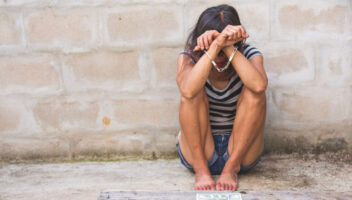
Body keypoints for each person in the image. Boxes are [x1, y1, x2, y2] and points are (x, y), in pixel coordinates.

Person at [175, 4, 268, 191]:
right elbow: (187, 91)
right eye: (214, 41)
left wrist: (228, 47)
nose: (219, 55)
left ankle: (230, 167)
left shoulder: (249, 54)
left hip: (241, 152)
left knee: (254, 91)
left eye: (224, 41)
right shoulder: (188, 57)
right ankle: (201, 170)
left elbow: (259, 85)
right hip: (200, 150)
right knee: (193, 90)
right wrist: (216, 45)